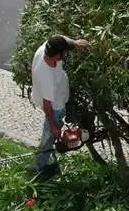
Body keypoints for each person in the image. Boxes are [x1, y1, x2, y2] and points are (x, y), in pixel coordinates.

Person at [31, 34, 90, 176]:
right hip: (54, 107)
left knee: (51, 133)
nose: (66, 54)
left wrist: (75, 43)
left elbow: (57, 37)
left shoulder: (46, 48)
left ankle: (45, 159)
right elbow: (47, 105)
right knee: (49, 136)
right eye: (64, 53)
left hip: (55, 97)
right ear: (57, 56)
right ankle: (38, 168)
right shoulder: (47, 77)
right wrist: (53, 125)